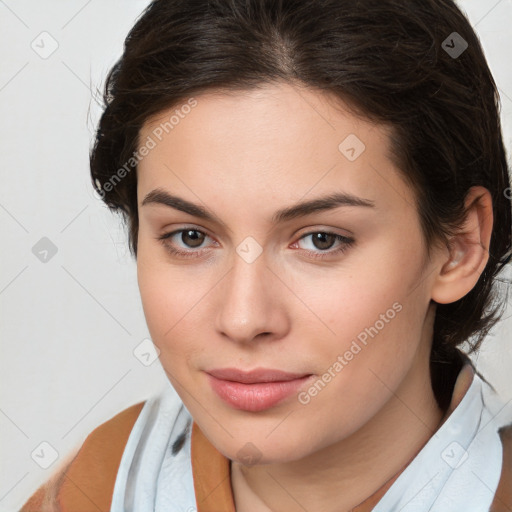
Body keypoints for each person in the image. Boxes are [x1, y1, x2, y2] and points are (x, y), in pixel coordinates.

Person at [21, 0, 512, 510]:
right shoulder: (95, 486)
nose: (243, 319)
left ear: (458, 247)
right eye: (190, 236)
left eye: (321, 239)